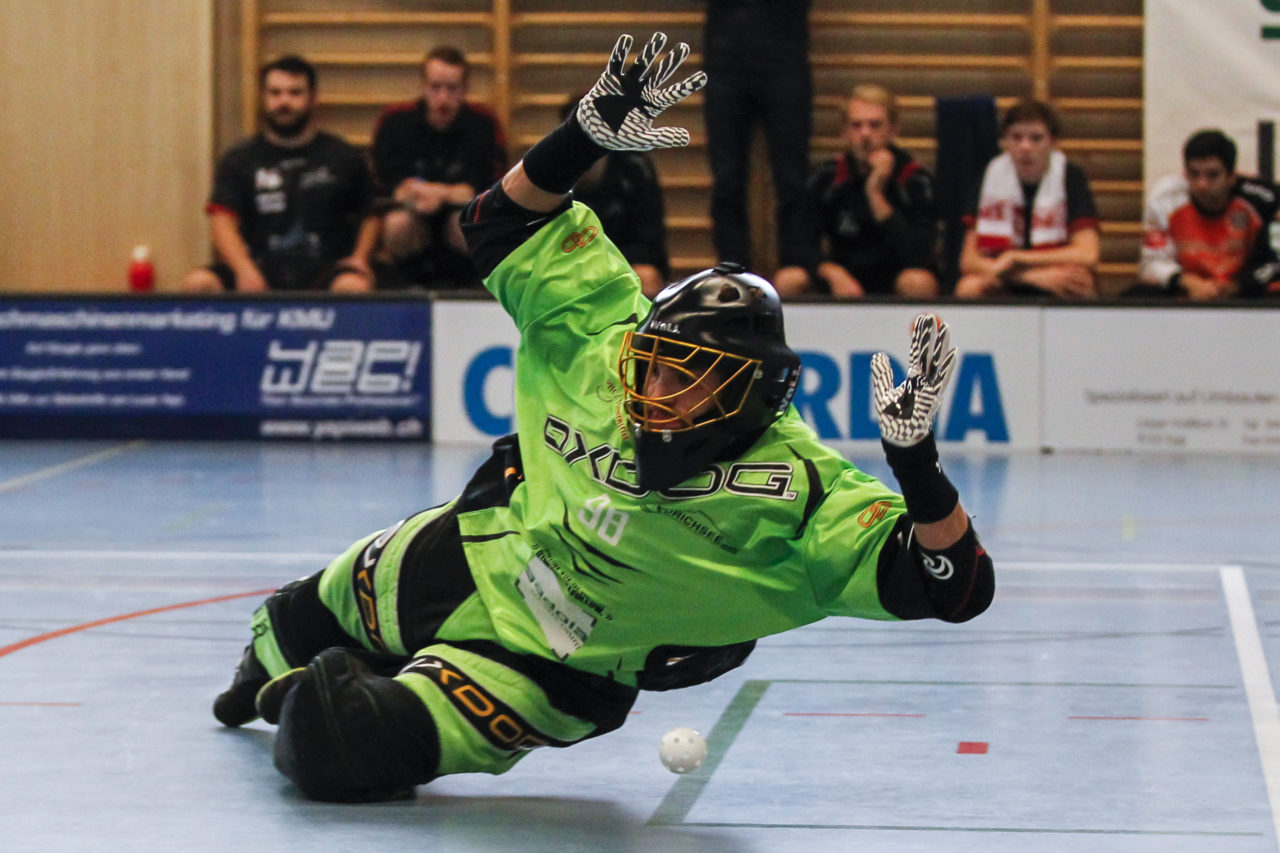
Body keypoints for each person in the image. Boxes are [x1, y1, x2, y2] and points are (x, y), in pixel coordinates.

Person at [212, 34, 995, 804]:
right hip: (480, 549)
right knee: (289, 620)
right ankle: (280, 675)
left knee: (339, 741)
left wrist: (916, 463)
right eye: (652, 358)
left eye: (684, 374)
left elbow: (956, 587)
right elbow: (494, 223)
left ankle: (359, 689)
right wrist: (583, 134)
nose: (652, 382)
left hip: (554, 670)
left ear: (750, 391)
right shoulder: (601, 335)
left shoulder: (802, 492)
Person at [182, 55, 378, 294]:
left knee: (353, 288)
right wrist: (244, 270)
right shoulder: (239, 159)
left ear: (313, 98)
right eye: (275, 93)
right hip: (257, 267)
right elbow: (221, 222)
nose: (284, 102)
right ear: (264, 98)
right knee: (198, 284)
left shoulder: (343, 156)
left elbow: (373, 212)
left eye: (295, 93)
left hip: (326, 269)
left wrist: (360, 258)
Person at [775, 84, 939, 300]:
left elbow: (919, 254)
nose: (865, 134)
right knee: (789, 279)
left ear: (893, 130)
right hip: (842, 278)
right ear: (844, 132)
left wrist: (876, 194)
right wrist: (831, 272)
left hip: (895, 279)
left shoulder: (916, 179)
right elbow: (796, 244)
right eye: (856, 125)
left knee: (919, 282)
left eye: (875, 125)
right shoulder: (826, 178)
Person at [370, 45, 507, 289]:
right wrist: (420, 193)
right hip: (413, 219)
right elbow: (391, 184)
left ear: (465, 89)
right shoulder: (395, 122)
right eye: (435, 88)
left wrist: (436, 194)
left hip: (460, 224)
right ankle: (404, 282)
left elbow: (485, 187)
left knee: (469, 225)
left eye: (452, 89)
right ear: (423, 85)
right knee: (397, 225)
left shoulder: (483, 125)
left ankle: (472, 283)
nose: (443, 98)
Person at [703, 0, 813, 273]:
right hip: (725, 60)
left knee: (792, 177)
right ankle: (732, 267)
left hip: (784, 55)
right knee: (727, 179)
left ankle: (795, 266)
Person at [953, 99, 1100, 300]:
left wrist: (1017, 258)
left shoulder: (1070, 177)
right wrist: (1027, 277)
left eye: (1036, 138)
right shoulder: (990, 177)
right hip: (1010, 275)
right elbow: (968, 260)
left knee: (1081, 283)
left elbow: (1087, 253)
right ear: (1005, 142)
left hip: (1048, 271)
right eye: (1016, 138)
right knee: (968, 288)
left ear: (1053, 142)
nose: (1025, 147)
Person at [1137, 129, 1280, 300]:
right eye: (1194, 174)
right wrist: (1187, 282)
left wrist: (1237, 286)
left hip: (1245, 291)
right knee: (1138, 295)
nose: (1202, 184)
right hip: (1187, 289)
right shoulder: (1165, 199)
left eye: (1212, 175)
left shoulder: (1264, 200)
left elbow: (1274, 262)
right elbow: (1151, 262)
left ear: (1231, 177)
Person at [559, 95, 671, 298]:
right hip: (569, 263)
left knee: (646, 275)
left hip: (623, 261)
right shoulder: (549, 174)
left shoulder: (635, 170)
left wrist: (605, 267)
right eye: (579, 134)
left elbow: (650, 243)